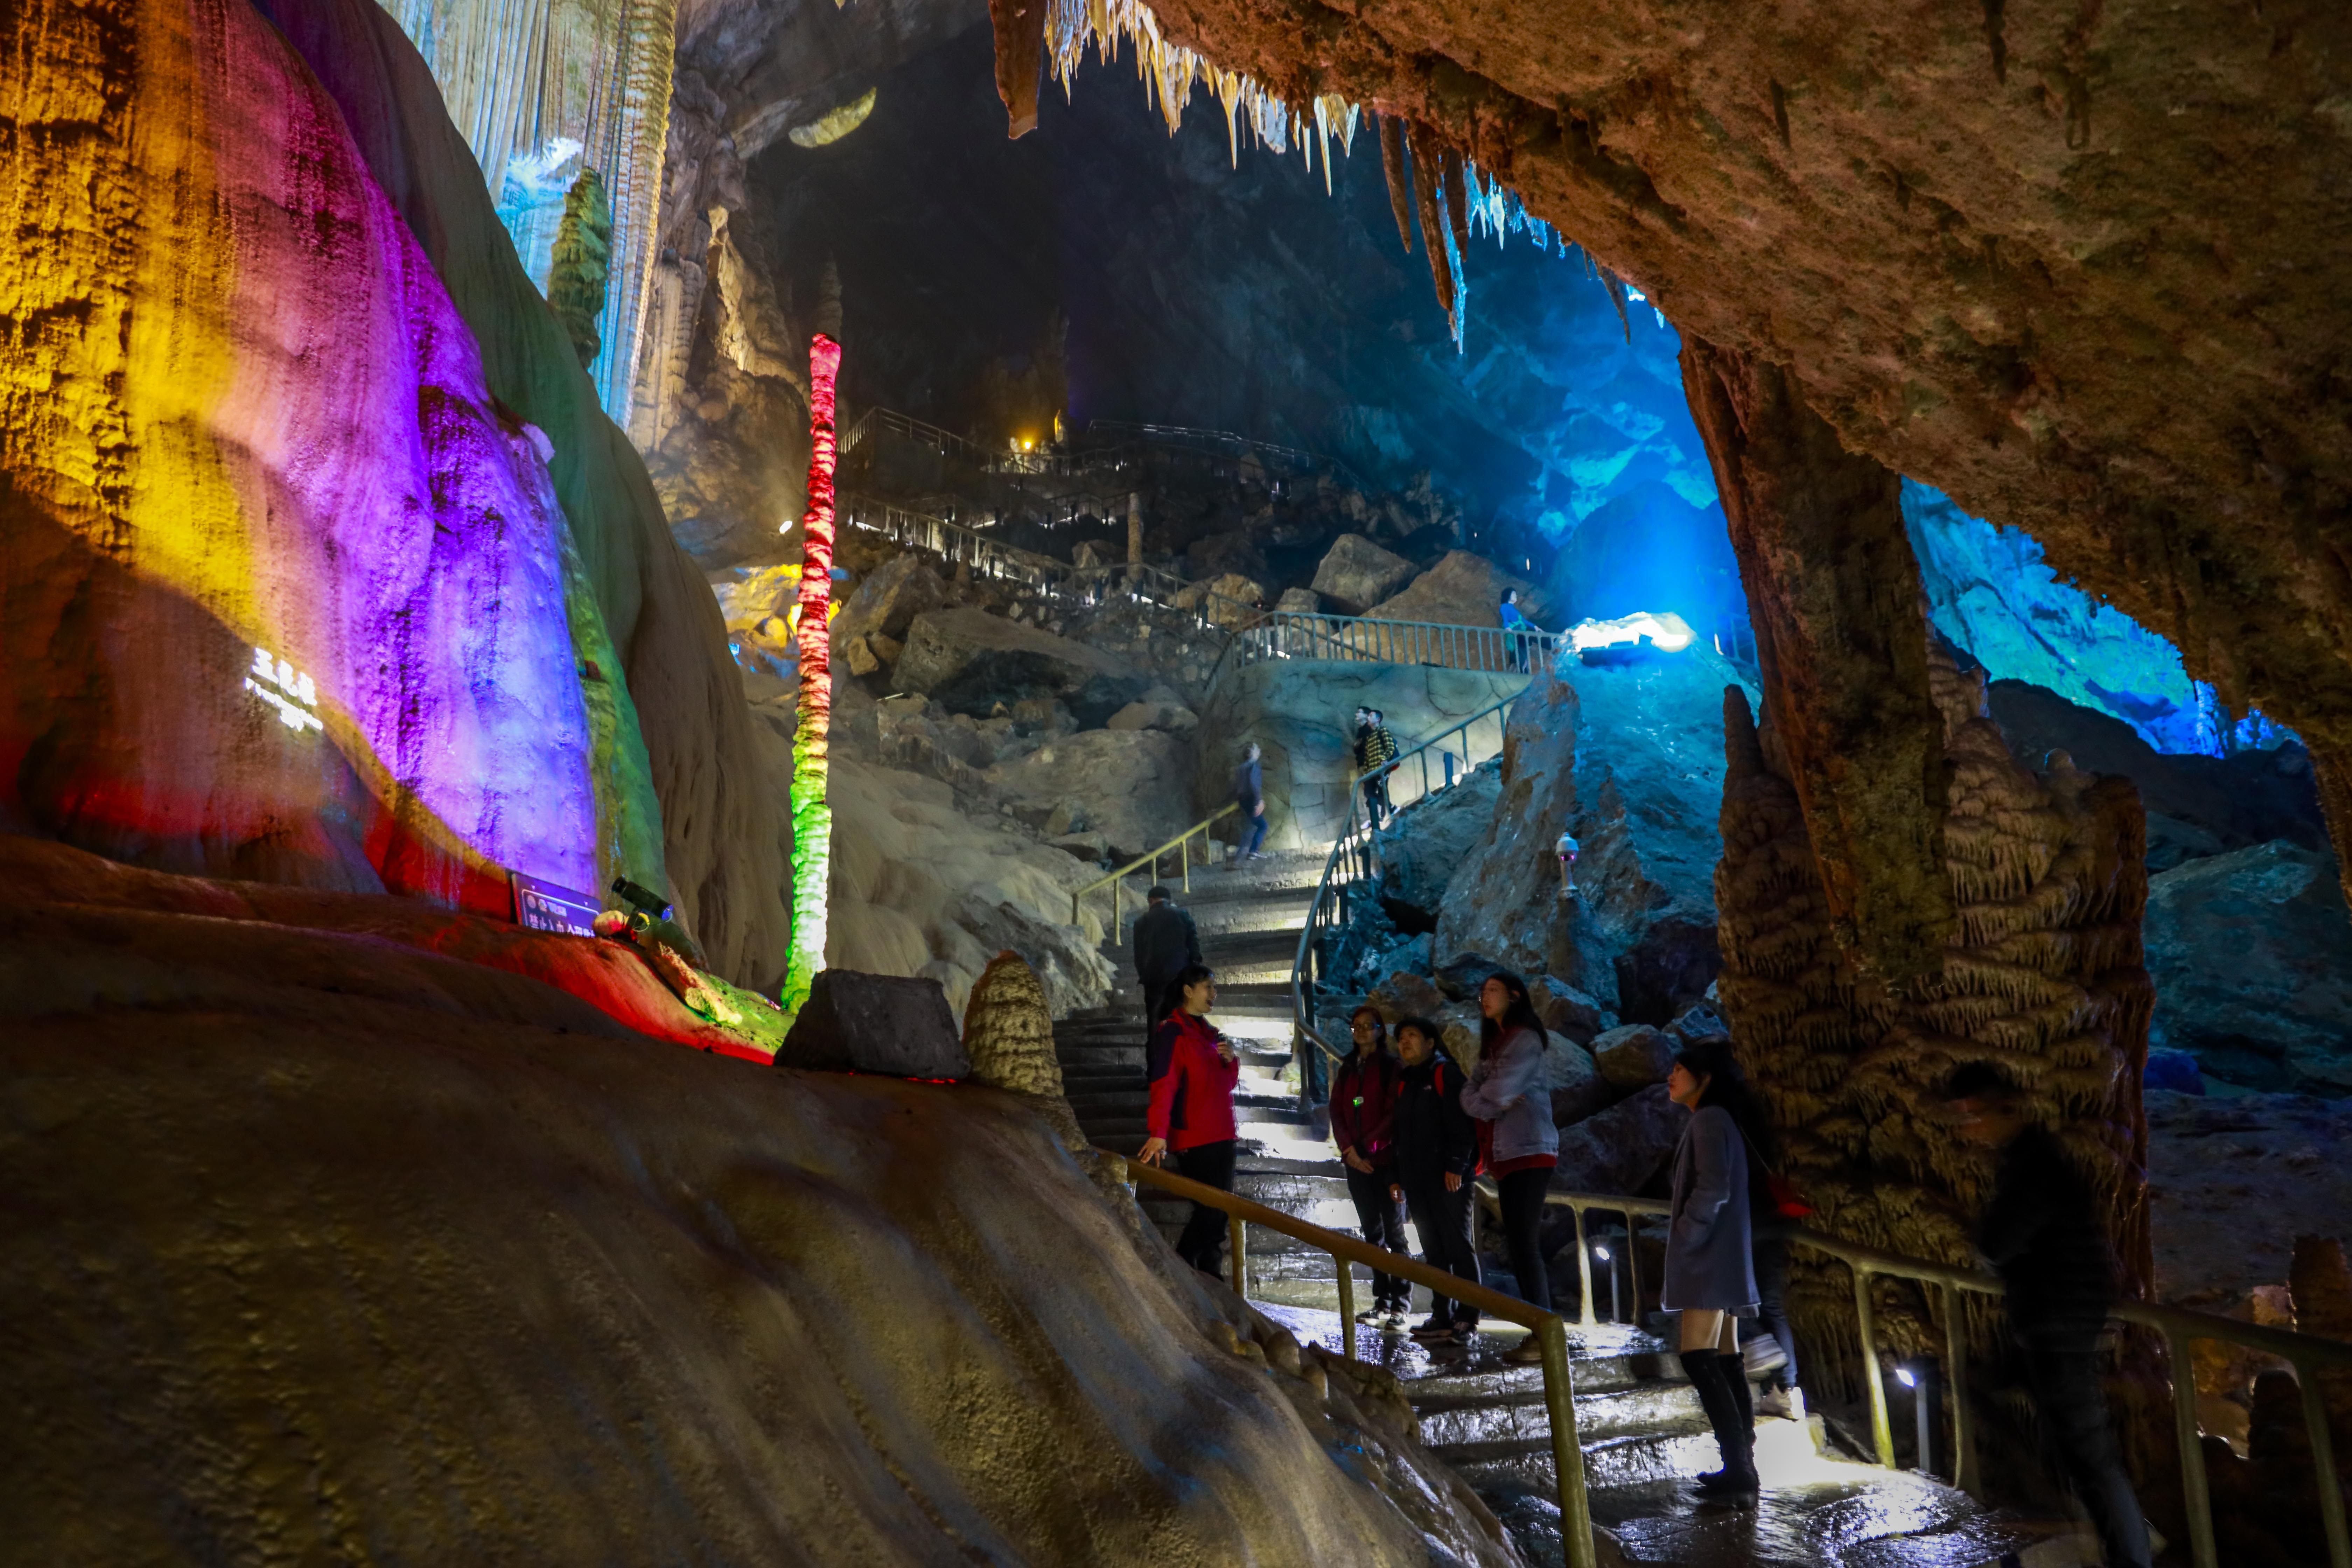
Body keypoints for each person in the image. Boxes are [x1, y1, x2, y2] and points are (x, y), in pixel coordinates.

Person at [1941, 1062, 2152, 1568]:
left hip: (2060, 1326)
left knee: (2089, 1456)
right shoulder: (2030, 1160)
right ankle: (2084, 1534)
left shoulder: (2034, 1165)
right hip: (2049, 1324)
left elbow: (1997, 1244)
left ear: (2004, 1109)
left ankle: (2130, 1556)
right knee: (2064, 1445)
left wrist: (1988, 1240)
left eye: (1972, 1115)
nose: (1967, 1129)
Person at [1663, 1037, 1763, 1503]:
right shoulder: (1722, 1120)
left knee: (1698, 1357)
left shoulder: (1708, 1120)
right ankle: (1742, 1461)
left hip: (1708, 1258)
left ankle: (1738, 1466)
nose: (1671, 1077)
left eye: (1679, 1070)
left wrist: (1687, 1233)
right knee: (1726, 1358)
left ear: (1703, 1079)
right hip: (1725, 1255)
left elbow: (1713, 1186)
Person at [1459, 970, 1559, 1366]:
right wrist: (1484, 1097)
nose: (1486, 996)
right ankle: (1541, 1330)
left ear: (1515, 996)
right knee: (1519, 1245)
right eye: (1482, 991)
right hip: (1508, 1153)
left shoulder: (1524, 1039)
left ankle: (1545, 1333)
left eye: (1494, 991)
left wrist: (1483, 1097)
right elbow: (1476, 1092)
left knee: (1524, 1244)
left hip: (1528, 1149)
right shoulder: (1496, 1045)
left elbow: (1493, 1093)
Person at [1138, 965, 1242, 1280]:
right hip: (1194, 1138)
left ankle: (1212, 1276)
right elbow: (1164, 1083)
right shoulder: (1173, 1031)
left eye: (1214, 987)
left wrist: (1231, 1062)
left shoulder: (1210, 1033)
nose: (1214, 993)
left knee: (1219, 1212)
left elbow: (1225, 1085)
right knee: (1212, 1210)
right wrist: (1158, 1132)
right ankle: (1178, 1268)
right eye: (1208, 987)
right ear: (1188, 990)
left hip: (1223, 1133)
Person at [1389, 1016, 1483, 1345]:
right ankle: (1442, 1314)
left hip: (1448, 1178)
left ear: (1431, 1042)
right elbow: (1401, 1134)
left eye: (1413, 1035)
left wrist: (1456, 1166)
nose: (1405, 1041)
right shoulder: (1406, 1081)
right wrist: (1399, 1177)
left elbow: (1462, 1125)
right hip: (1418, 1180)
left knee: (1458, 1245)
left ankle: (1468, 1317)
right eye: (1401, 1036)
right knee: (1433, 1250)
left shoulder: (1445, 1074)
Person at [1331, 1006, 1409, 1329]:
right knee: (1372, 1234)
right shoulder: (1349, 1067)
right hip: (1356, 1163)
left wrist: (1366, 1148)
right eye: (1357, 1026)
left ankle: (1402, 1304)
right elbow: (1338, 1109)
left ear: (1381, 1030)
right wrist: (1349, 1150)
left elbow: (1393, 1115)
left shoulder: (1392, 1067)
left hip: (1386, 1162)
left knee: (1395, 1233)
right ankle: (1382, 1300)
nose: (1362, 1031)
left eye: (1369, 1026)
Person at [1130, 884, 1201, 1037]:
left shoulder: (1141, 922)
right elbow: (1193, 942)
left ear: (1150, 901)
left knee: (1155, 1017)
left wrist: (1144, 973)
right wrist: (1195, 965)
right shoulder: (1182, 914)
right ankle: (1181, 1050)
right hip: (1179, 974)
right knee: (1181, 1013)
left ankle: (1157, 1054)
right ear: (1169, 901)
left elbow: (1139, 955)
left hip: (1153, 977)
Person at [1353, 707, 1398, 826]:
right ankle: (1382, 815)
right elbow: (1367, 757)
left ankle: (1383, 816)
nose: (1369, 718)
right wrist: (1367, 771)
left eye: (1371, 716)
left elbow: (1390, 746)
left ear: (1378, 719)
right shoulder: (1369, 738)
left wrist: (1384, 759)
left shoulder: (1383, 731)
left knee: (1382, 791)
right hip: (1372, 771)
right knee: (1369, 792)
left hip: (1382, 769)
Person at [1230, 743, 1268, 861]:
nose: (1259, 751)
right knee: (1262, 826)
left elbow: (1237, 788)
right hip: (1251, 799)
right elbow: (1253, 783)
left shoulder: (1241, 768)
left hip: (1243, 800)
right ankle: (1251, 852)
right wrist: (1259, 801)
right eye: (1256, 749)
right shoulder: (1254, 765)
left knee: (1251, 826)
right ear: (1250, 753)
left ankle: (1241, 856)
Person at [1499, 588, 1539, 673]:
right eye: (1514, 594)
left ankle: (1521, 668)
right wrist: (1507, 628)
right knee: (1519, 649)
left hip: (1520, 631)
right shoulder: (1505, 607)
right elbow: (1505, 618)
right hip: (1515, 631)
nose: (1516, 596)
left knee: (1520, 649)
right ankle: (1523, 668)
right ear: (1508, 595)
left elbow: (1523, 621)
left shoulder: (1514, 609)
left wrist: (1535, 627)